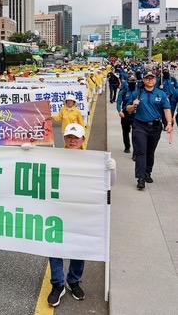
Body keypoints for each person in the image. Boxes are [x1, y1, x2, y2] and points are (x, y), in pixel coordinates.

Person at [22, 123, 116, 307]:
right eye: (69, 137)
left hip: (81, 212)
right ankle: (58, 284)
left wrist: (111, 170)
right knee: (53, 247)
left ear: (83, 139)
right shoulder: (55, 156)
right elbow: (35, 170)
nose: (72, 140)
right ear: (64, 138)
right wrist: (28, 153)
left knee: (78, 245)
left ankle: (73, 280)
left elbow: (110, 184)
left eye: (76, 137)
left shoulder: (92, 160)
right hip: (55, 210)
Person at [125, 71, 173, 189]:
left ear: (155, 80)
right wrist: (133, 105)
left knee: (150, 152)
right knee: (141, 151)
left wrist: (169, 123)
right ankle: (140, 178)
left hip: (155, 127)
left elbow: (167, 109)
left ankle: (147, 173)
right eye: (147, 78)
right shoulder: (137, 93)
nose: (150, 80)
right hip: (140, 126)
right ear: (144, 80)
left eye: (152, 78)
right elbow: (128, 108)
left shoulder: (161, 94)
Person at [116, 76, 137, 156]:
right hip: (125, 114)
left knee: (136, 133)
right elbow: (118, 103)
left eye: (133, 81)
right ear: (127, 82)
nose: (132, 83)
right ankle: (127, 146)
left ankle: (135, 151)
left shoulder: (138, 92)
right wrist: (119, 111)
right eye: (130, 81)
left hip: (135, 113)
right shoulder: (123, 91)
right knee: (125, 132)